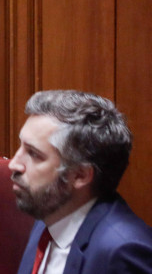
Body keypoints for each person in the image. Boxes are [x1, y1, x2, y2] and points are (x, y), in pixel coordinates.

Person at [10, 90, 152, 274]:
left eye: (34, 154)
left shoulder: (121, 253)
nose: (14, 164)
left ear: (80, 175)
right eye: (21, 146)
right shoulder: (50, 213)